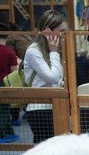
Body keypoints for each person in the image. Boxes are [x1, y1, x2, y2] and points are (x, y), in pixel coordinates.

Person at [24, 10, 66, 144]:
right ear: (48, 31)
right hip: (40, 110)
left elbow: (58, 78)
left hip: (56, 106)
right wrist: (54, 51)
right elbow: (52, 77)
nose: (63, 35)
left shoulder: (52, 50)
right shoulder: (33, 50)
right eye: (61, 32)